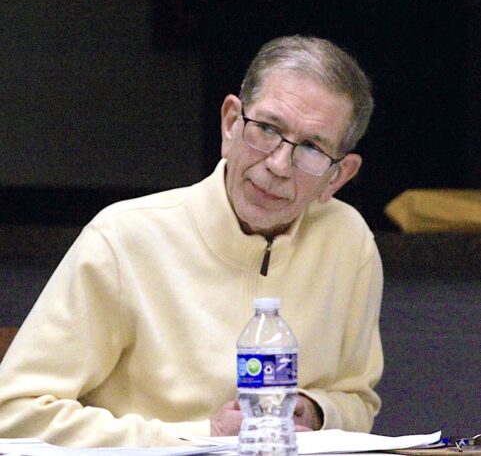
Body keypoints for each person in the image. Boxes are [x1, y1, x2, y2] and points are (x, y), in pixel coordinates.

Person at [0, 35, 383, 447]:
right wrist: (201, 437)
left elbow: (358, 400)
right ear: (231, 123)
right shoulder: (123, 238)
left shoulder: (348, 240)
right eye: (267, 129)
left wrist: (315, 410)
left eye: (310, 148)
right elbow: (14, 414)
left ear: (337, 176)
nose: (278, 165)